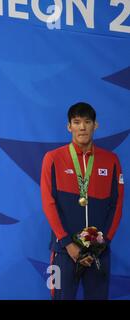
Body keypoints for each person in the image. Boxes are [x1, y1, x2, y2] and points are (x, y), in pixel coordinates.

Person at [40, 102, 124, 300]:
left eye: (87, 122)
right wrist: (68, 244)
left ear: (96, 125)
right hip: (64, 252)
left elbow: (117, 204)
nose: (82, 127)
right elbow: (48, 203)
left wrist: (101, 244)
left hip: (99, 252)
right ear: (69, 126)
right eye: (77, 122)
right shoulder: (52, 159)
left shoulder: (111, 160)